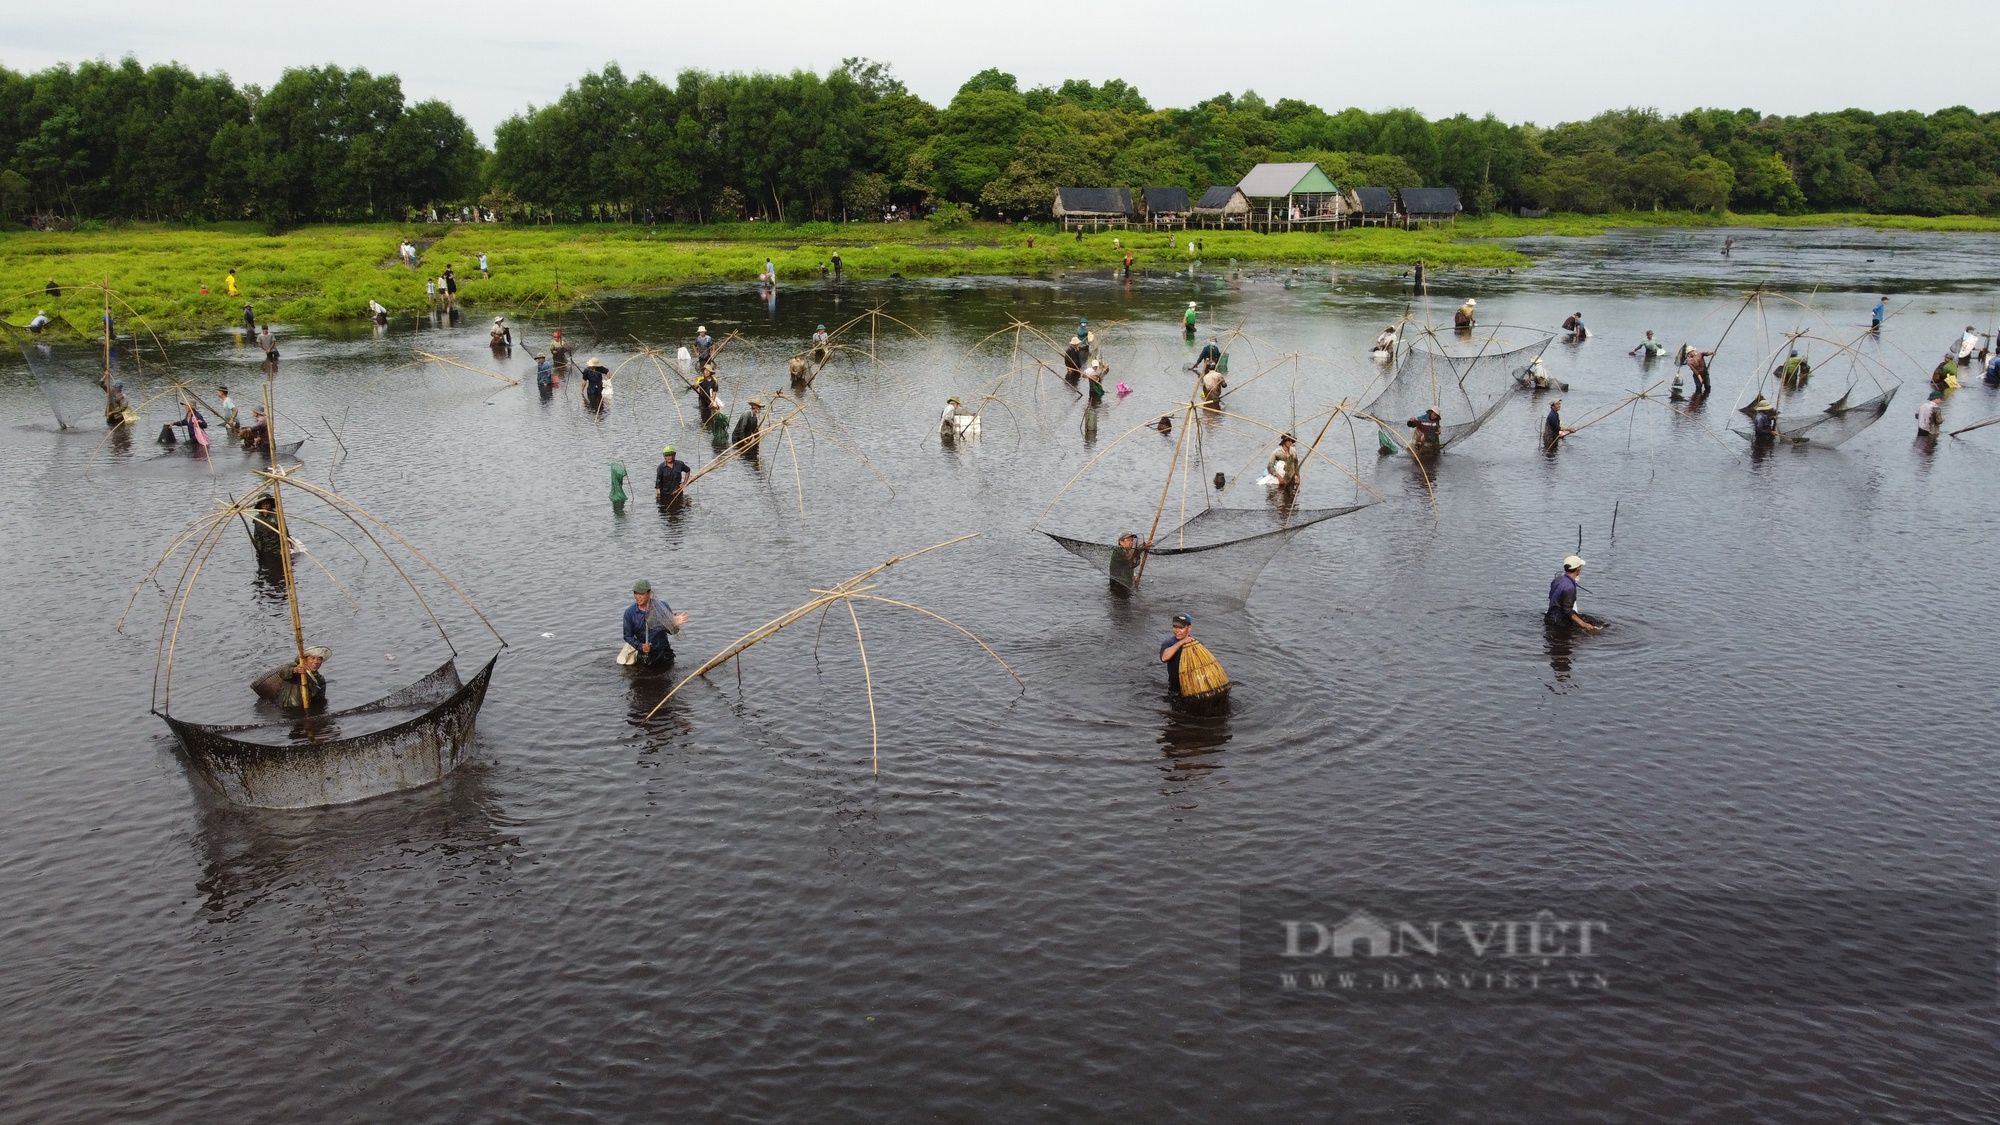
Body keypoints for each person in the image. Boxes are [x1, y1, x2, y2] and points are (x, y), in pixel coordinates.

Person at [622, 581, 687, 668]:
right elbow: (627, 636)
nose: (638, 597)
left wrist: (675, 624)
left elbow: (671, 632)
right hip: (645, 655)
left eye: (641, 593)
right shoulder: (630, 613)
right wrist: (641, 646)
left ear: (649, 593)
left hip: (664, 653)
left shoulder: (662, 606)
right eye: (635, 593)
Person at [252, 646, 329, 711]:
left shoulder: (320, 679)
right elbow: (283, 672)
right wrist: (295, 670)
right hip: (289, 708)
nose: (316, 662)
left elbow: (320, 700)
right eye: (313, 658)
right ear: (305, 659)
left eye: (319, 659)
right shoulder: (294, 666)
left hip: (305, 709)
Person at [1546, 557, 1601, 634]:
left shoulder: (1558, 579)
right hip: (1560, 621)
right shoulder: (1570, 588)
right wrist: (1583, 624)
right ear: (1578, 568)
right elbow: (1567, 610)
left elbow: (1551, 596)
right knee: (1593, 622)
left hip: (1549, 616)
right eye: (1580, 566)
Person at [248, 494, 285, 570]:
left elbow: (284, 533)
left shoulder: (276, 516)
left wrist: (283, 548)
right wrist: (259, 548)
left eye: (267, 503)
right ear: (260, 506)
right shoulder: (257, 519)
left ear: (270, 504)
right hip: (264, 550)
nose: (265, 506)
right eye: (263, 504)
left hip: (277, 549)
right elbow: (257, 535)